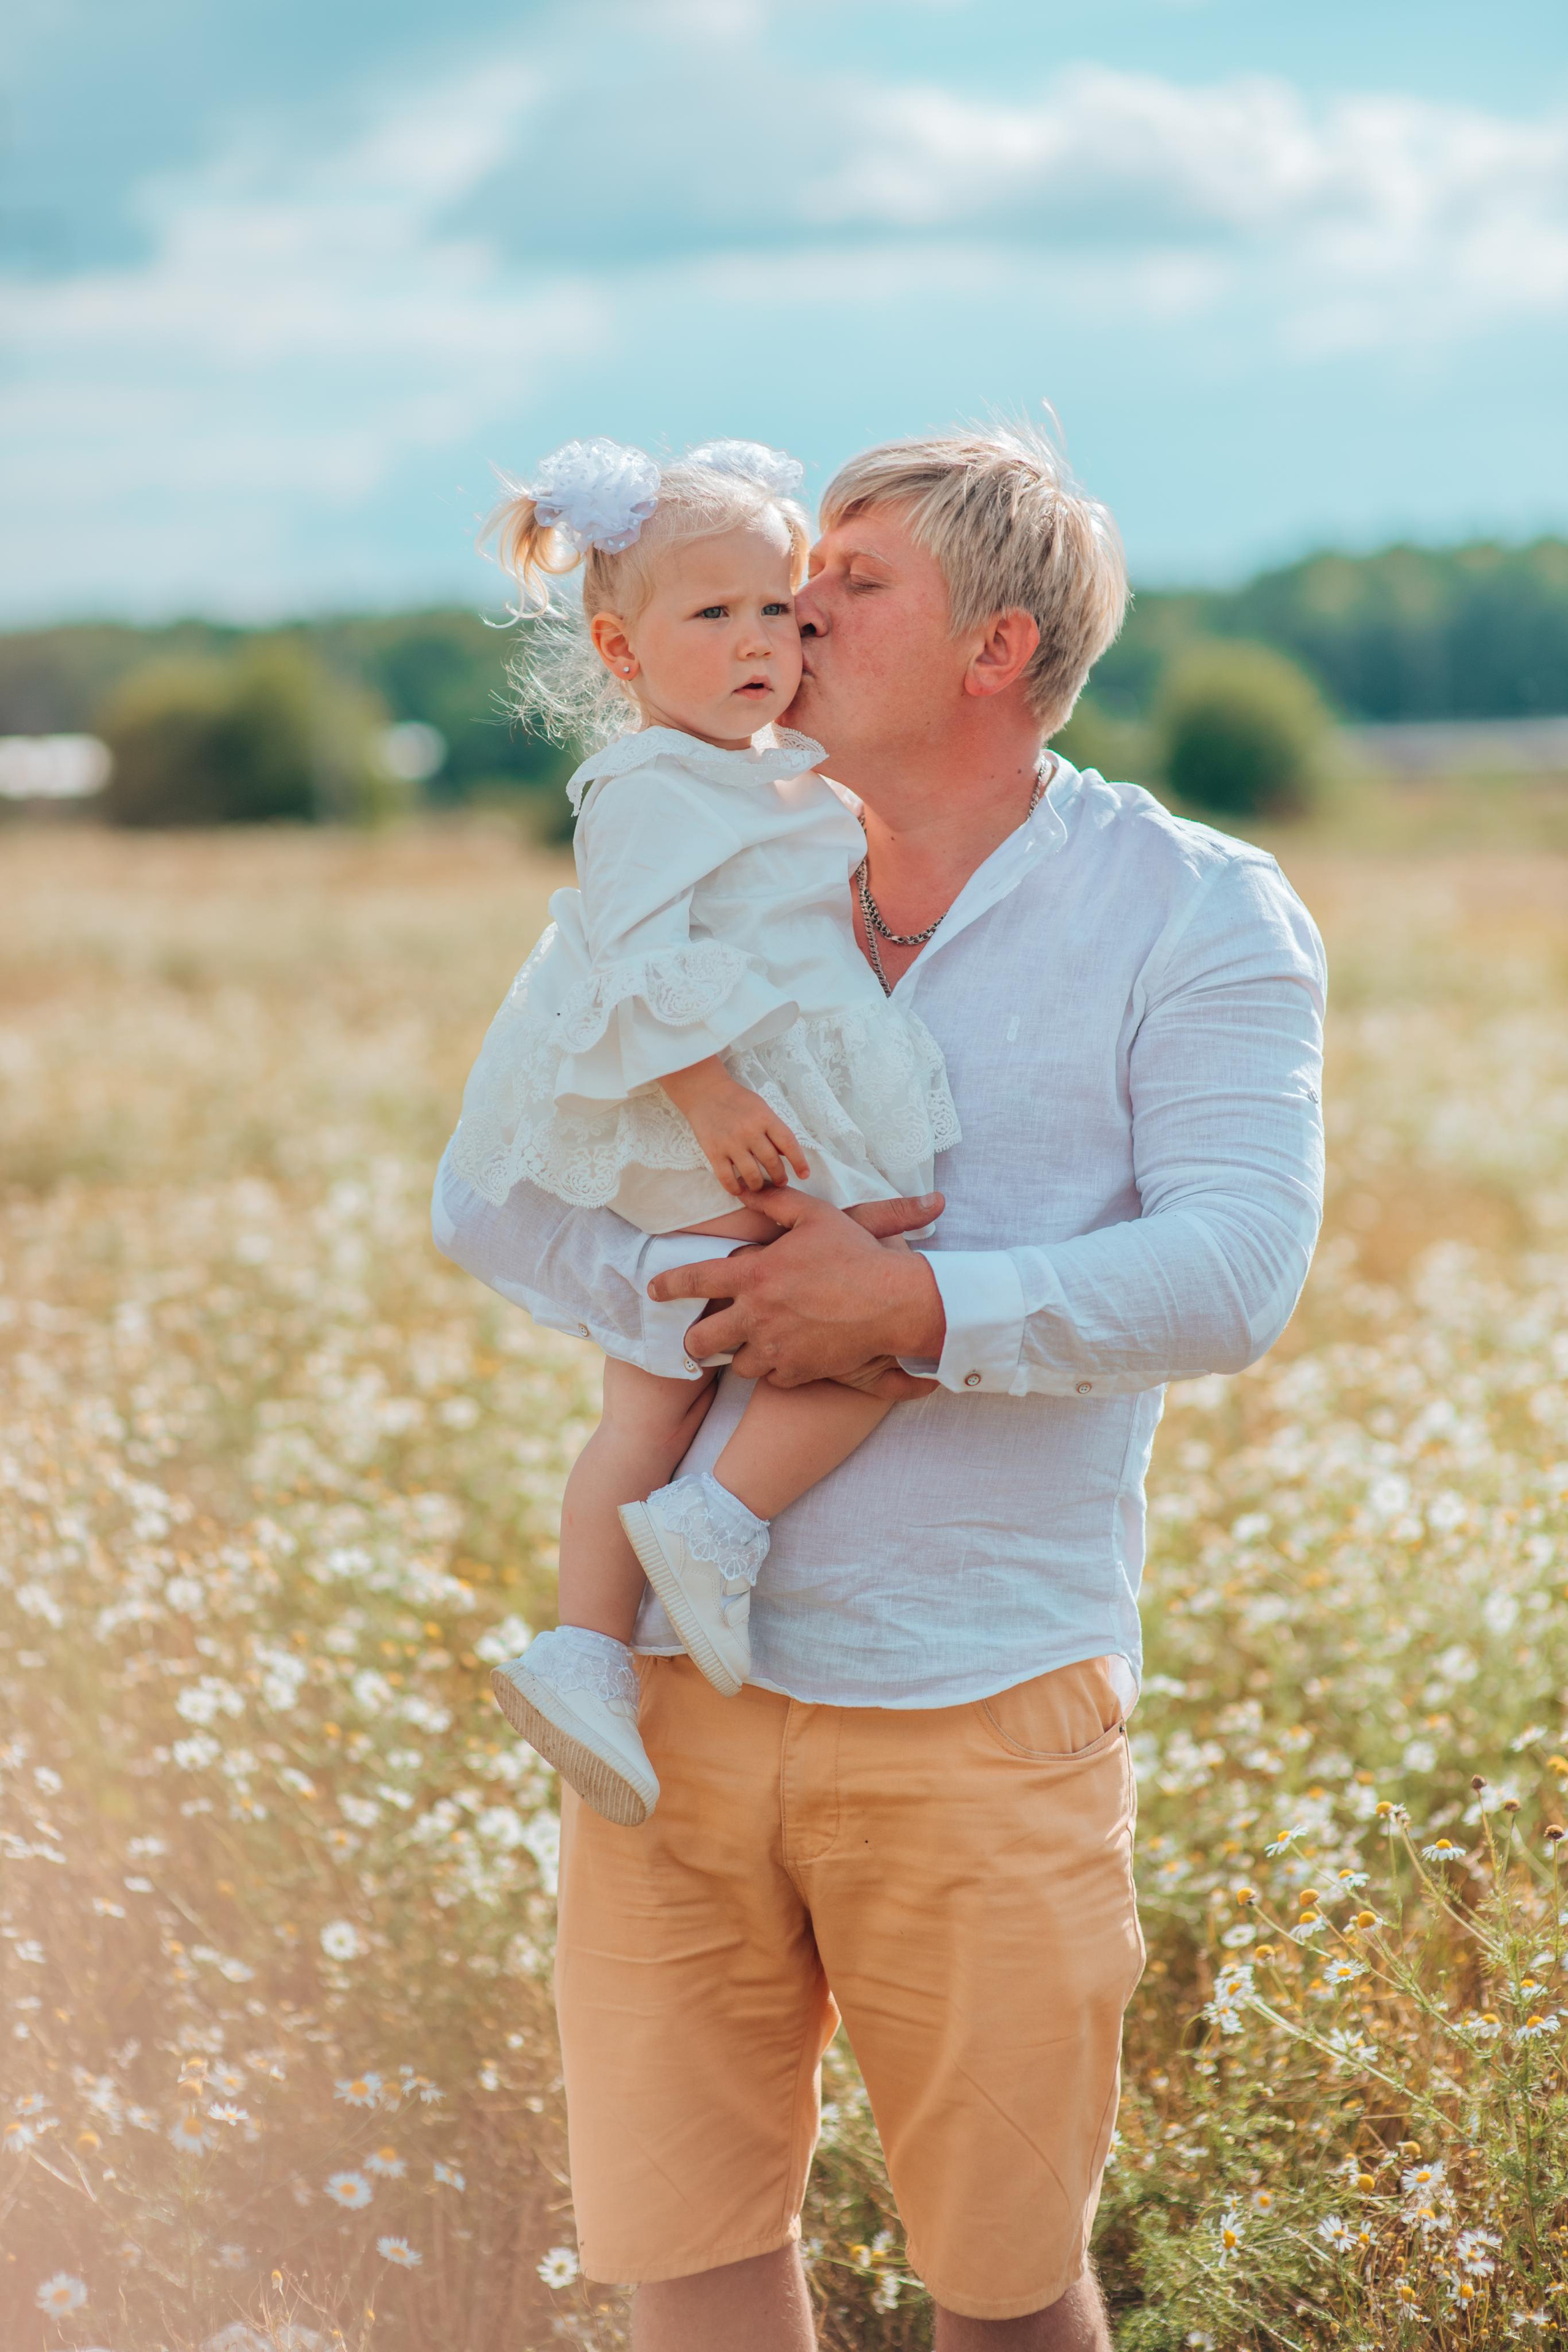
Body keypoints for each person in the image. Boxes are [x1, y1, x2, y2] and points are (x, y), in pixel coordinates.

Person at [433, 422, 1326, 2350]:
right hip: (662, 1717)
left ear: (995, 650)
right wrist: (724, 1299)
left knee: (1005, 2298)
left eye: (852, 577)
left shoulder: (1194, 909)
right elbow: (489, 1200)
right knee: (689, 2268)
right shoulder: (692, 860)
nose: (795, 607)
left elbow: (1235, 1271)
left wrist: (905, 1310)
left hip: (979, 1705)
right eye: (790, 576)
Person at [450, 436, 959, 1827]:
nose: (761, 643)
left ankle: (584, 1648)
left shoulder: (769, 770)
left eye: (776, 612)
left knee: (657, 1382)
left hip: (740, 1094)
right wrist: (709, 1093)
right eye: (712, 615)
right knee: (868, 1322)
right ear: (619, 651)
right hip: (712, 1106)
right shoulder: (647, 787)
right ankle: (712, 1522)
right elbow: (624, 951)